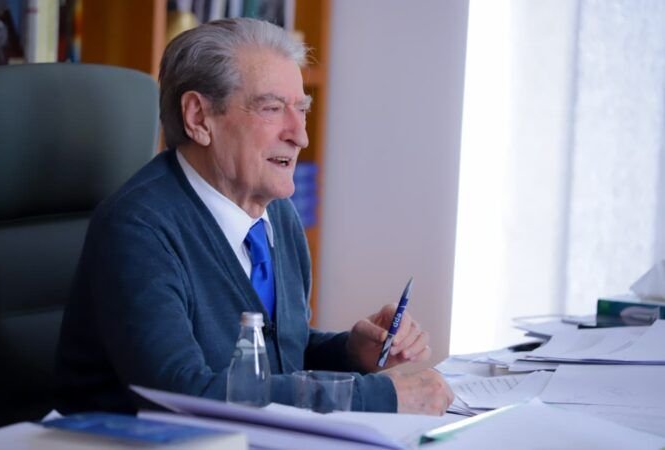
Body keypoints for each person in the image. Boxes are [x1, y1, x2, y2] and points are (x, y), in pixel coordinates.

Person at [55, 17, 453, 415]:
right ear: (198, 118)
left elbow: (277, 360)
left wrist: (349, 353)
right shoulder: (137, 228)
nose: (300, 135)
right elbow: (181, 393)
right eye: (272, 108)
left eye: (302, 109)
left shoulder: (277, 214)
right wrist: (378, 397)